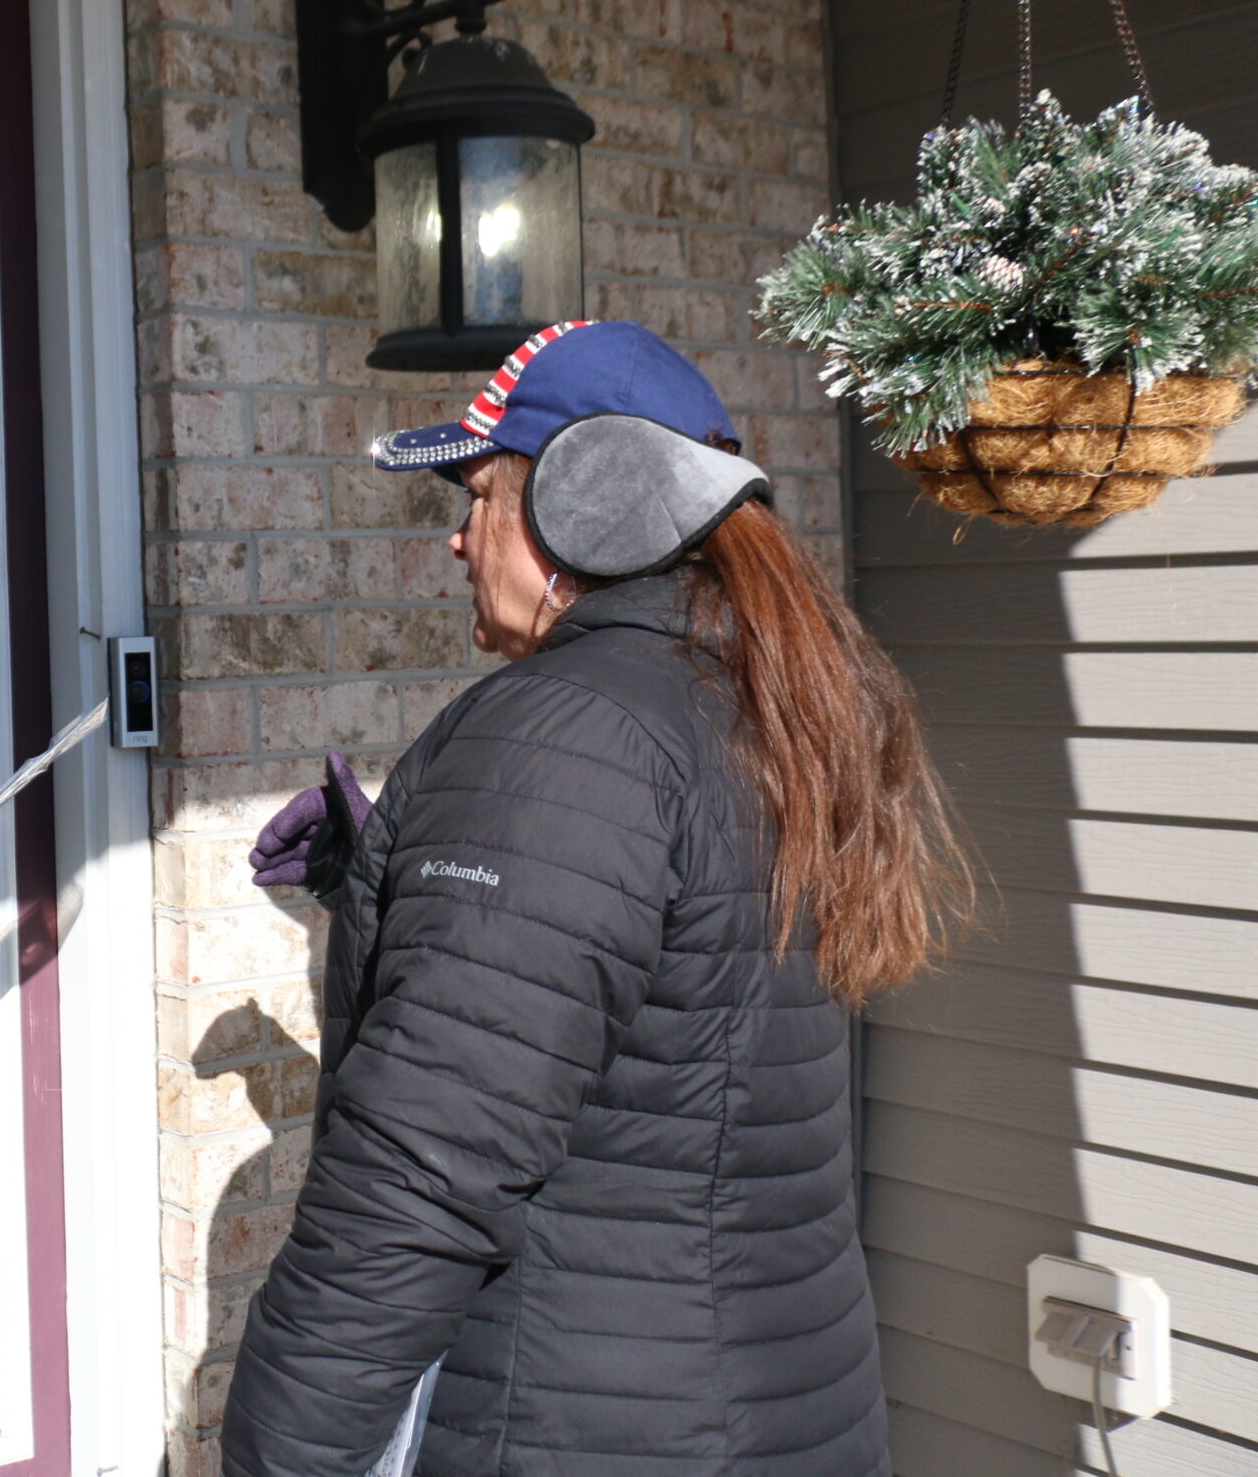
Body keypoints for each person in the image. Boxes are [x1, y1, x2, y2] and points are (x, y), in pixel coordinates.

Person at [225, 320, 968, 1477]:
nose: (458, 544)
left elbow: (415, 1190)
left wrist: (278, 1455)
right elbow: (665, 1013)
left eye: (477, 497)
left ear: (596, 500)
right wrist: (398, 872)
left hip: (582, 1426)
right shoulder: (775, 707)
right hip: (778, 1409)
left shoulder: (568, 737)